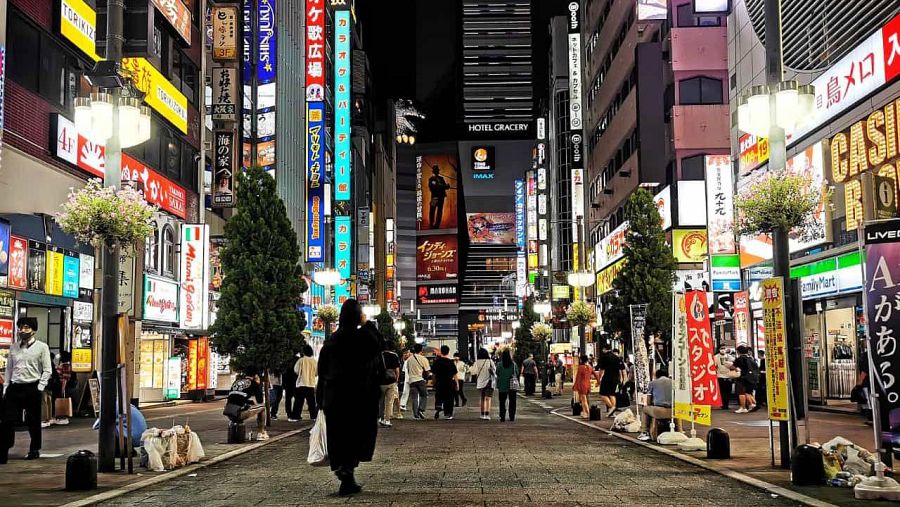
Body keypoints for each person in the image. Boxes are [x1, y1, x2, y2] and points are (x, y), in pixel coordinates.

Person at [316, 299, 383, 496]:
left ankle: (344, 471)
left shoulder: (332, 341)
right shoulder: (363, 337)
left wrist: (320, 399)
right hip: (360, 396)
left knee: (340, 436)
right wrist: (367, 322)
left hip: (335, 397)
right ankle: (348, 470)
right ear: (357, 316)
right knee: (358, 434)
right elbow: (379, 343)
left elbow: (322, 372)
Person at [1, 318, 52, 463]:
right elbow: (9, 369)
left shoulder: (42, 347)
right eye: (20, 328)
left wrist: (40, 387)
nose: (22, 331)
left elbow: (47, 369)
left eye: (26, 328)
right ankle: (3, 449)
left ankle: (34, 449)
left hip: (32, 387)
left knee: (33, 420)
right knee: (7, 420)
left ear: (33, 330)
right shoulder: (14, 347)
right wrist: (6, 387)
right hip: (14, 387)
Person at [638, 369, 674, 441]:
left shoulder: (653, 383)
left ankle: (645, 432)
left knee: (645, 409)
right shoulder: (674, 382)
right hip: (674, 410)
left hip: (659, 410)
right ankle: (680, 430)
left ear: (656, 376)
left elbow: (648, 400)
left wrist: (650, 405)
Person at [596, 344, 625, 417]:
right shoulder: (617, 358)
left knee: (603, 394)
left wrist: (599, 380)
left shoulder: (604, 357)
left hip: (607, 378)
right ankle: (613, 413)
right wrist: (623, 379)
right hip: (616, 379)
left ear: (605, 349)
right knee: (612, 394)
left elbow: (601, 370)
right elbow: (622, 370)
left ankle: (612, 407)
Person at [431, 346, 458, 420]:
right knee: (449, 398)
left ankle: (439, 406)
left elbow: (433, 373)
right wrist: (457, 384)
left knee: (439, 396)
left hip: (439, 382)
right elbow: (454, 374)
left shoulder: (437, 361)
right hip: (449, 383)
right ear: (448, 352)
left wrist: (434, 382)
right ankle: (448, 413)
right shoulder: (450, 362)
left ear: (441, 352)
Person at [405, 344, 431, 420]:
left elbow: (408, 370)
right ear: (421, 350)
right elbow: (427, 371)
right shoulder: (423, 359)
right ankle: (421, 409)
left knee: (414, 398)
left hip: (412, 381)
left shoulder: (409, 359)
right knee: (424, 395)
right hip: (420, 379)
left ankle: (415, 414)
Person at [732, 345, 759, 413]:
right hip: (752, 379)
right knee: (748, 393)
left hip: (742, 378)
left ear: (738, 352)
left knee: (741, 393)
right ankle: (753, 404)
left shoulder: (739, 359)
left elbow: (733, 367)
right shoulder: (751, 359)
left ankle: (743, 407)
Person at [469, 348, 496, 420]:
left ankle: (482, 414)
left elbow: (473, 372)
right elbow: (494, 370)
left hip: (480, 382)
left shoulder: (477, 362)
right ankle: (487, 414)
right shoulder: (490, 361)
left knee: (482, 398)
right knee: (488, 398)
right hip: (489, 382)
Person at [379, 345, 401, 428]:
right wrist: (397, 379)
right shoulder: (394, 355)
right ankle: (387, 420)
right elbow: (397, 370)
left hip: (380, 382)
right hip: (391, 381)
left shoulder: (378, 355)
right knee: (389, 402)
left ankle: (380, 418)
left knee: (381, 401)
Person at [294, 345, 318, 420]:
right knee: (311, 402)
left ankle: (296, 416)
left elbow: (296, 370)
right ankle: (313, 416)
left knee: (298, 402)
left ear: (303, 352)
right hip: (310, 384)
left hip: (301, 383)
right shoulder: (314, 361)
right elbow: (317, 373)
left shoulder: (301, 360)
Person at [496, 349, 519, 422]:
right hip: (511, 385)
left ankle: (502, 416)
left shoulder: (499, 364)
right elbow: (517, 373)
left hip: (502, 386)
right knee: (512, 401)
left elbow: (497, 373)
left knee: (502, 402)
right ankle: (511, 416)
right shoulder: (513, 364)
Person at [573, 355, 594, 420]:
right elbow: (595, 374)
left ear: (581, 360)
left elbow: (578, 378)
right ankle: (584, 412)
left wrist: (575, 386)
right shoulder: (590, 367)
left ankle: (587, 413)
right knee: (586, 400)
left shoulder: (580, 367)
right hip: (588, 385)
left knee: (583, 400)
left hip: (582, 385)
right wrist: (598, 382)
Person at [715, 345, 735, 410]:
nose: (723, 350)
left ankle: (726, 404)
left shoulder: (729, 356)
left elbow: (734, 362)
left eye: (724, 348)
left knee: (728, 391)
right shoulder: (716, 357)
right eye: (721, 348)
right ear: (719, 349)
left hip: (728, 376)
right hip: (720, 376)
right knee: (721, 392)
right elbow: (714, 366)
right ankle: (723, 404)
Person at [282, 354, 299, 421]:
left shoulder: (285, 359)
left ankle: (289, 414)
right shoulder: (298, 359)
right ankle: (295, 414)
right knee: (297, 399)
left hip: (287, 382)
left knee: (288, 399)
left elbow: (283, 372)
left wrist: (283, 384)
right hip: (296, 382)